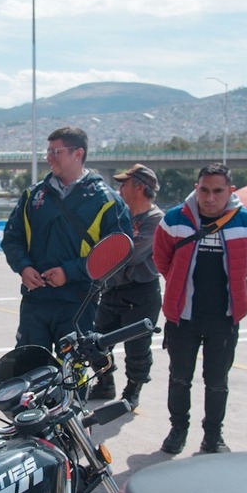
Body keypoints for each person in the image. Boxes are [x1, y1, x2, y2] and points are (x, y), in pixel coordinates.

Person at [153, 163, 247, 455]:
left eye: (217, 191)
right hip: (183, 318)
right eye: (204, 190)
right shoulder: (175, 219)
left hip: (224, 319)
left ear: (231, 191)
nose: (210, 197)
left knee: (216, 382)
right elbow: (162, 260)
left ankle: (213, 436)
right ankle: (178, 429)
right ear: (196, 188)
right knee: (179, 378)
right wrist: (178, 289)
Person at [2, 126, 131, 349]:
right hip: (35, 301)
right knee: (30, 370)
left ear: (77, 154)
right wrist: (24, 267)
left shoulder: (107, 200)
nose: (48, 157)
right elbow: (12, 238)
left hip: (78, 304)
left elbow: (117, 254)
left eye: (55, 152)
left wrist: (69, 273)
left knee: (73, 376)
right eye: (48, 151)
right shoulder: (33, 195)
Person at [91, 164, 164, 409]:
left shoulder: (155, 220)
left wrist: (107, 252)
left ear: (140, 187)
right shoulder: (119, 215)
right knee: (95, 342)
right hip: (113, 289)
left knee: (138, 348)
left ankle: (132, 391)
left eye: (125, 184)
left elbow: (128, 254)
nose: (120, 188)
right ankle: (104, 383)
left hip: (141, 292)